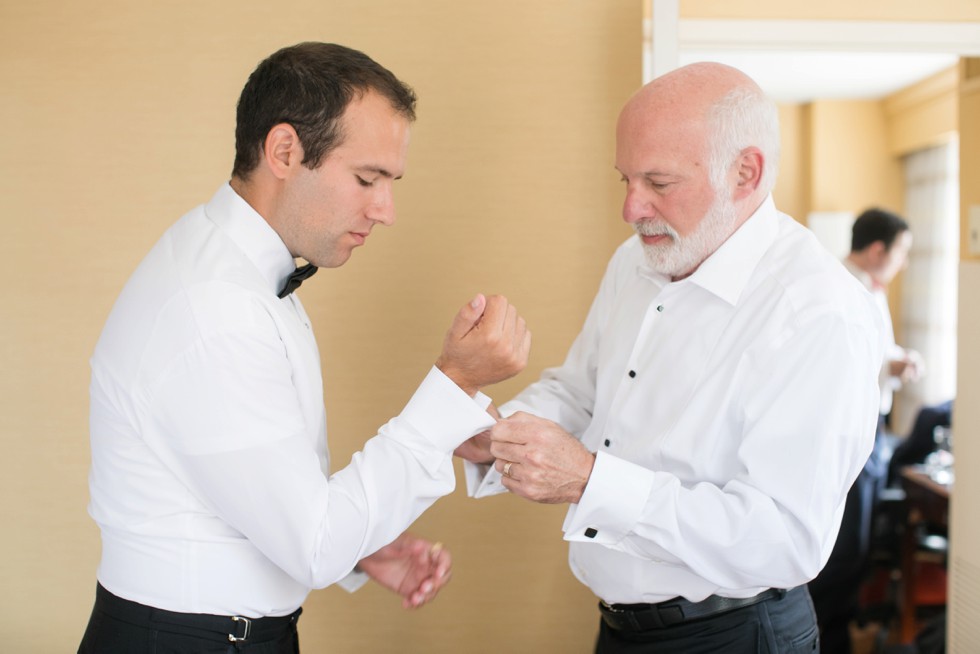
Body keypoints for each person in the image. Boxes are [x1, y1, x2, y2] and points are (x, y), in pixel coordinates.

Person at [78, 42, 530, 653]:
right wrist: (453, 386)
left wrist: (357, 552)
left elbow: (248, 496)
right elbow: (315, 544)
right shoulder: (216, 305)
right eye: (367, 179)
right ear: (285, 151)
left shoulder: (233, 267)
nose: (386, 210)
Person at [455, 62, 883, 653]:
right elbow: (582, 391)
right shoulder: (633, 262)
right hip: (619, 628)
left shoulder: (818, 313)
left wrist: (587, 479)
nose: (632, 210)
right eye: (624, 179)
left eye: (659, 182)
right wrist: (500, 431)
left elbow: (783, 537)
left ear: (745, 173)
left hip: (738, 636)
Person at [808, 207, 923, 652]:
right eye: (902, 252)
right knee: (845, 547)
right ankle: (827, 636)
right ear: (877, 250)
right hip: (847, 430)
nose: (904, 263)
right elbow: (839, 361)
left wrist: (894, 359)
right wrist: (890, 364)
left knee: (857, 545)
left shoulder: (867, 289)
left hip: (870, 425)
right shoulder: (840, 287)